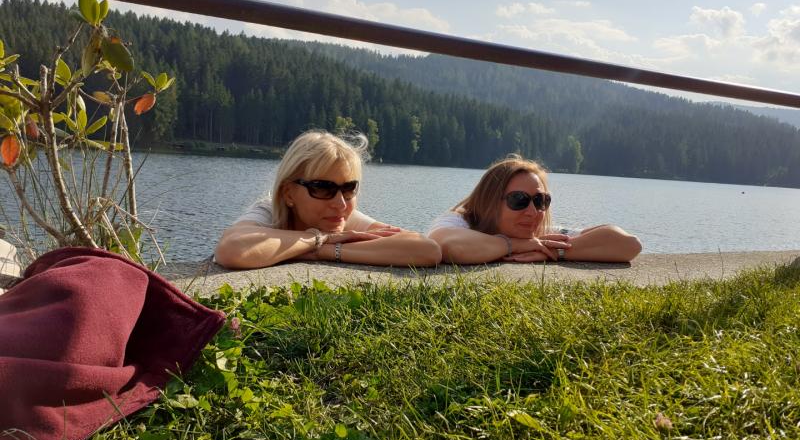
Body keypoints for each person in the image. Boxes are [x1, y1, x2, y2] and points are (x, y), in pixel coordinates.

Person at [215, 130, 441, 269]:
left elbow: (427, 249)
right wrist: (316, 238)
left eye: (349, 188)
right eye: (323, 188)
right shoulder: (268, 212)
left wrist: (324, 250)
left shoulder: (343, 216)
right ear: (288, 194)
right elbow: (232, 248)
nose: (340, 203)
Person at [428, 155, 642, 264]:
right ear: (489, 201)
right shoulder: (459, 221)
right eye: (519, 200)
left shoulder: (538, 234)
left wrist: (554, 252)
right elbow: (449, 246)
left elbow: (628, 244)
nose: (533, 212)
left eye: (541, 201)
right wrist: (517, 245)